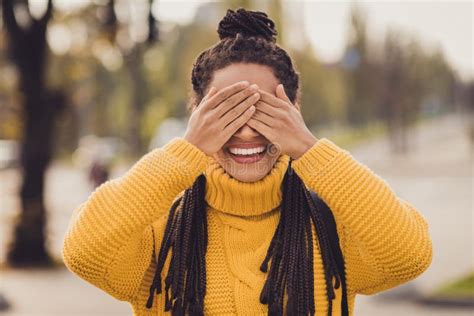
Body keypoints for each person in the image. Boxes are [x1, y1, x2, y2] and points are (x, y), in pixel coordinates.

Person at [62, 8, 433, 316]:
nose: (245, 133)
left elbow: (410, 254)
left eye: (262, 110)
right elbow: (84, 250)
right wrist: (187, 150)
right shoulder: (162, 229)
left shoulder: (330, 222)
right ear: (197, 114)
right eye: (226, 111)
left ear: (293, 111)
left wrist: (309, 148)